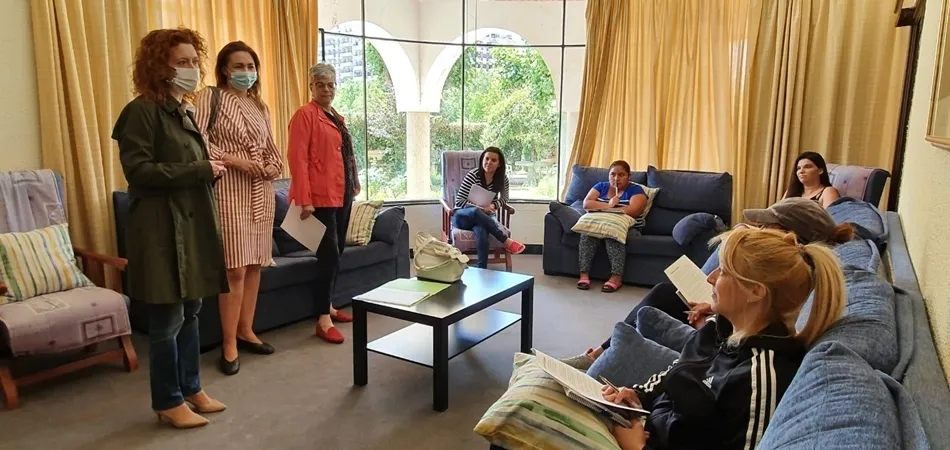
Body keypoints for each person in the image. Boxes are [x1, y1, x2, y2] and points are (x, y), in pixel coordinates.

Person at [602, 227, 846, 450]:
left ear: (755, 291)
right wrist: (637, 395)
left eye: (724, 271)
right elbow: (677, 372)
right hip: (644, 428)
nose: (711, 277)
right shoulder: (717, 329)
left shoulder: (760, 377)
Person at [562, 196, 855, 370]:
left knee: (661, 301)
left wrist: (715, 320)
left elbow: (756, 326)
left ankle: (598, 355)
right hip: (722, 332)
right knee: (663, 296)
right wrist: (716, 314)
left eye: (767, 227)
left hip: (719, 350)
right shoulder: (796, 275)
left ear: (792, 237)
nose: (759, 230)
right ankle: (599, 353)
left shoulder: (796, 282)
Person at [112, 27, 228, 429]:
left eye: (195, 62)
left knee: (192, 312)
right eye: (182, 62)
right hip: (160, 232)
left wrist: (207, 170)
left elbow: (184, 170)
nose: (192, 69)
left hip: (189, 228)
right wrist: (200, 169)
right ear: (159, 67)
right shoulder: (140, 111)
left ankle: (191, 387)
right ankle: (167, 400)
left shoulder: (182, 110)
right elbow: (139, 172)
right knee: (167, 322)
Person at [195, 41, 283, 375]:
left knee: (256, 264)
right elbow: (199, 139)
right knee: (234, 268)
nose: (245, 73)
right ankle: (229, 342)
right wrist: (236, 161)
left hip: (261, 191)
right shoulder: (210, 98)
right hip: (229, 188)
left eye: (250, 66)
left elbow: (272, 148)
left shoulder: (260, 105)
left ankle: (247, 330)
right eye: (238, 66)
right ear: (224, 70)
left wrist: (273, 167)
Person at [287, 63, 358, 344]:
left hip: (342, 194)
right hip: (319, 198)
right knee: (328, 254)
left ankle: (327, 305)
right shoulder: (305, 115)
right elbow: (298, 158)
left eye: (331, 85)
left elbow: (346, 153)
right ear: (311, 87)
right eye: (321, 85)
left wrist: (355, 180)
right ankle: (322, 319)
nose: (326, 89)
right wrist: (304, 199)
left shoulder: (337, 117)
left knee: (337, 251)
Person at [576, 161, 648, 293]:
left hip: (629, 229)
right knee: (587, 233)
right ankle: (584, 275)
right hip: (600, 225)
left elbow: (634, 210)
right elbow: (587, 204)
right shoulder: (600, 187)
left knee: (612, 233)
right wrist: (609, 205)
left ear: (629, 176)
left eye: (621, 175)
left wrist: (602, 208)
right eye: (613, 174)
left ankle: (616, 277)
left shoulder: (636, 190)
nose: (616, 178)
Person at [452, 147, 526, 268]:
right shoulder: (473, 175)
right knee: (476, 211)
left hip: (483, 218)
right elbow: (459, 201)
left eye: (493, 160)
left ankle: (482, 269)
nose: (489, 162)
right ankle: (505, 240)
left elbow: (504, 199)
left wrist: (493, 205)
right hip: (462, 216)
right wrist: (481, 209)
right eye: (486, 159)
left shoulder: (502, 179)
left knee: (482, 232)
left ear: (499, 164)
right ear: (482, 160)